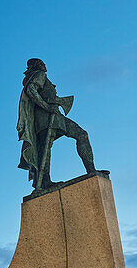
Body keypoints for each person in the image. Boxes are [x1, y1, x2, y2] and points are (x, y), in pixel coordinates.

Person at [17, 58, 97, 190]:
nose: (44, 66)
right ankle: (45, 182)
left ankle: (91, 170)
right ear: (37, 66)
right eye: (41, 63)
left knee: (79, 135)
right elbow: (31, 90)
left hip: (54, 116)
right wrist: (47, 107)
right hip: (46, 117)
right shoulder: (39, 75)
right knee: (45, 149)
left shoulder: (40, 76)